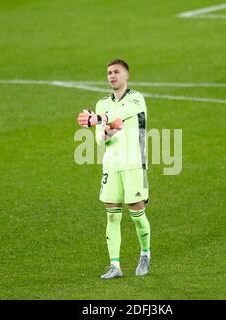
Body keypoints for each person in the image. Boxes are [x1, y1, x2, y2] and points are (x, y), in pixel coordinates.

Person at [77, 59, 151, 279]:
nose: (112, 76)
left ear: (127, 75)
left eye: (117, 72)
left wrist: (98, 119)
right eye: (109, 73)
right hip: (111, 165)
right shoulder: (102, 103)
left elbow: (122, 115)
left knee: (137, 214)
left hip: (134, 164)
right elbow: (100, 140)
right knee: (112, 216)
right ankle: (115, 265)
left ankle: (145, 254)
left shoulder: (136, 99)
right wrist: (106, 132)